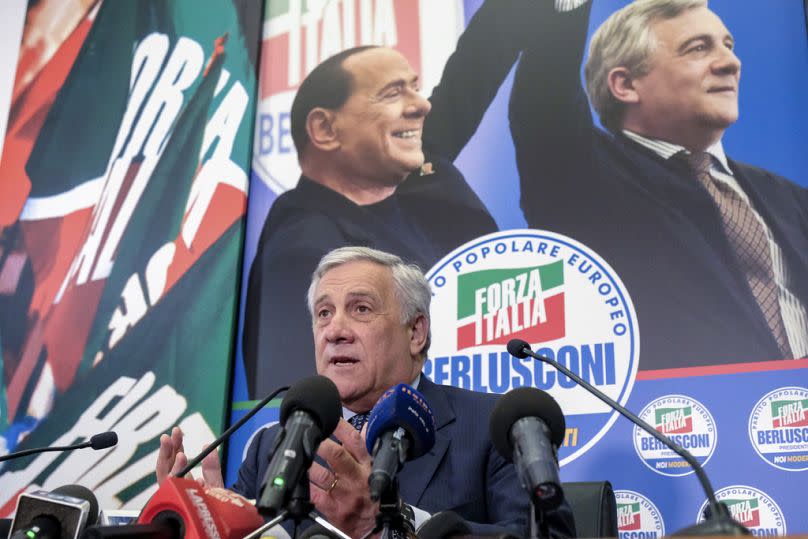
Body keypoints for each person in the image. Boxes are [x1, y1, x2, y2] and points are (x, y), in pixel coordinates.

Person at [157, 246, 576, 538]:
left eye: (360, 309)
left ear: (416, 332)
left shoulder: (495, 428)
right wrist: (203, 523)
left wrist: (391, 527)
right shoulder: (273, 445)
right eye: (323, 313)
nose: (335, 331)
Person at [242, 0, 545, 397]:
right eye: (392, 93)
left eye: (414, 88)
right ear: (326, 128)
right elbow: (305, 407)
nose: (421, 105)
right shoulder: (304, 253)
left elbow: (472, 73)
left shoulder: (412, 174)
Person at [509, 0, 808, 370]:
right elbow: (543, 103)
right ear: (625, 84)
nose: (731, 63)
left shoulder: (789, 198)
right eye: (698, 48)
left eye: (727, 45)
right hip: (676, 418)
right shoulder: (583, 178)